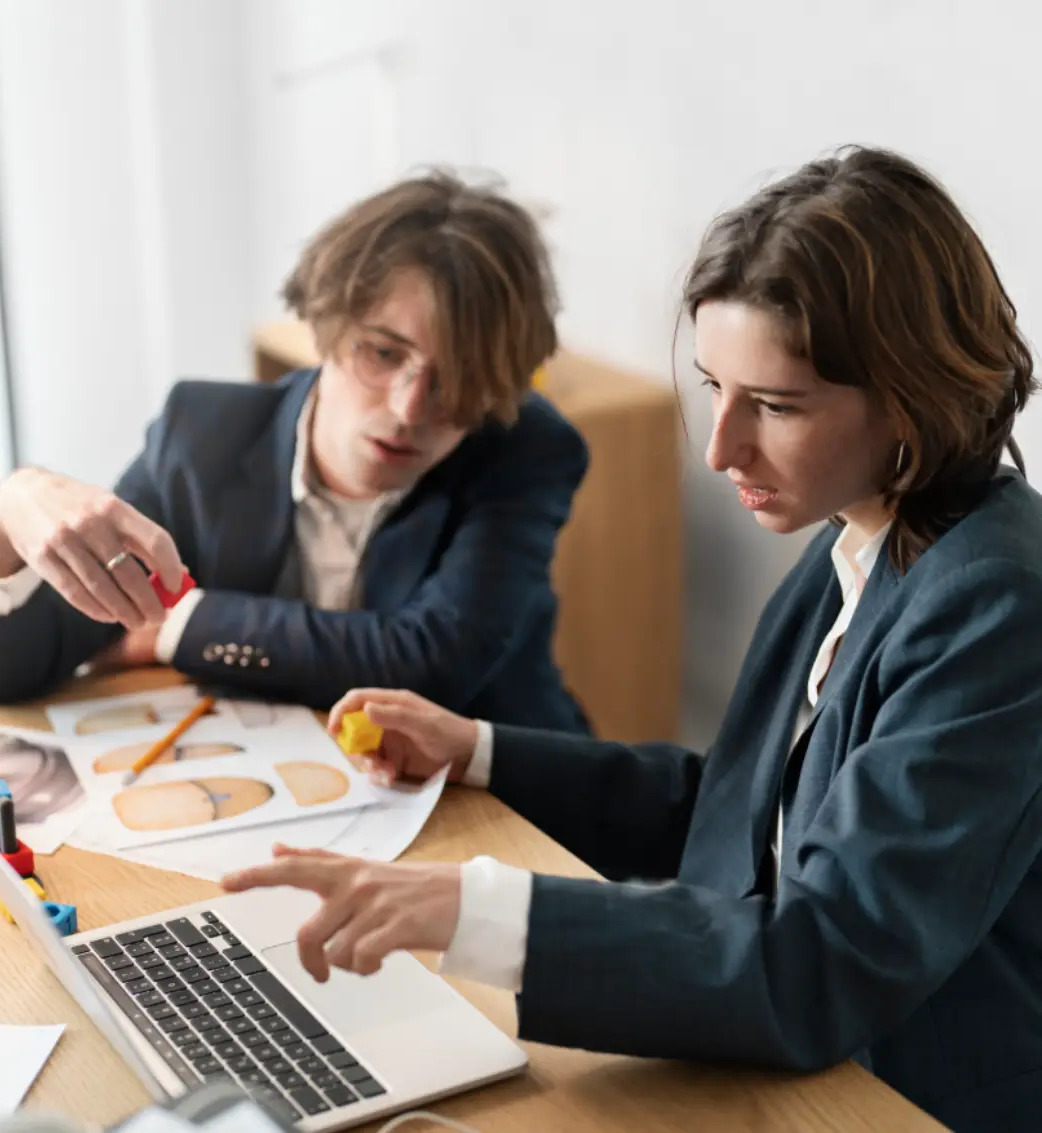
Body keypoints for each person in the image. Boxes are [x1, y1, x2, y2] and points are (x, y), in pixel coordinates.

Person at [222, 147, 1042, 1133]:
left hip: (890, 1099)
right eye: (714, 386)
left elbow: (828, 953)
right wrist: (479, 749)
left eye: (775, 405)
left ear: (909, 394)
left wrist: (474, 908)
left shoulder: (994, 601)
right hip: (782, 1058)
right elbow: (733, 812)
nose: (721, 447)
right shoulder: (862, 532)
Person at [0, 172, 590, 733]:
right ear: (327, 323)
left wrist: (183, 626)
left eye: (459, 376)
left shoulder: (526, 452)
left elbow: (429, 667)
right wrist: (3, 520)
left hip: (499, 802)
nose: (409, 408)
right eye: (382, 353)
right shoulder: (203, 436)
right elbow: (3, 676)